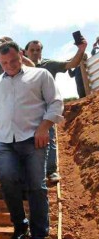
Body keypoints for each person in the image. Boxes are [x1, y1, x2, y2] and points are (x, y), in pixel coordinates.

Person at [0, 41, 63, 239]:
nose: (9, 66)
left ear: (21, 55)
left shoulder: (40, 75)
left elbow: (56, 103)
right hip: (3, 141)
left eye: (12, 60)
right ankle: (20, 227)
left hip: (33, 139)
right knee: (8, 182)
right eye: (3, 63)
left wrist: (44, 128)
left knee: (37, 187)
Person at [25, 37, 87, 181]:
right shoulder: (20, 68)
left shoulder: (49, 64)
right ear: (26, 52)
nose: (35, 52)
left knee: (49, 137)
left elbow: (71, 64)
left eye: (38, 50)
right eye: (32, 50)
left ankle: (51, 171)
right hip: (27, 110)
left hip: (47, 108)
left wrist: (81, 49)